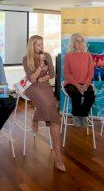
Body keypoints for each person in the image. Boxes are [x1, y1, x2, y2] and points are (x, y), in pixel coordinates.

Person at [22, 35, 65, 172]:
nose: (41, 47)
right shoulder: (26, 59)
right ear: (32, 46)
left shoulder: (47, 55)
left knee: (49, 106)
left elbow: (52, 74)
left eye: (42, 44)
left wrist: (43, 78)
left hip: (45, 86)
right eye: (38, 45)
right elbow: (32, 79)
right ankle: (58, 155)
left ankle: (37, 116)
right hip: (32, 88)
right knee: (51, 109)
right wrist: (40, 66)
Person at [64, 33, 95, 126]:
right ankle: (76, 115)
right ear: (73, 43)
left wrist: (85, 85)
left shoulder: (88, 55)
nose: (80, 43)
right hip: (71, 84)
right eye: (77, 41)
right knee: (76, 94)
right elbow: (67, 73)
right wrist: (77, 85)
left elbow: (90, 72)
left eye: (82, 41)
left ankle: (84, 115)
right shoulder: (68, 56)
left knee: (91, 95)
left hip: (85, 83)